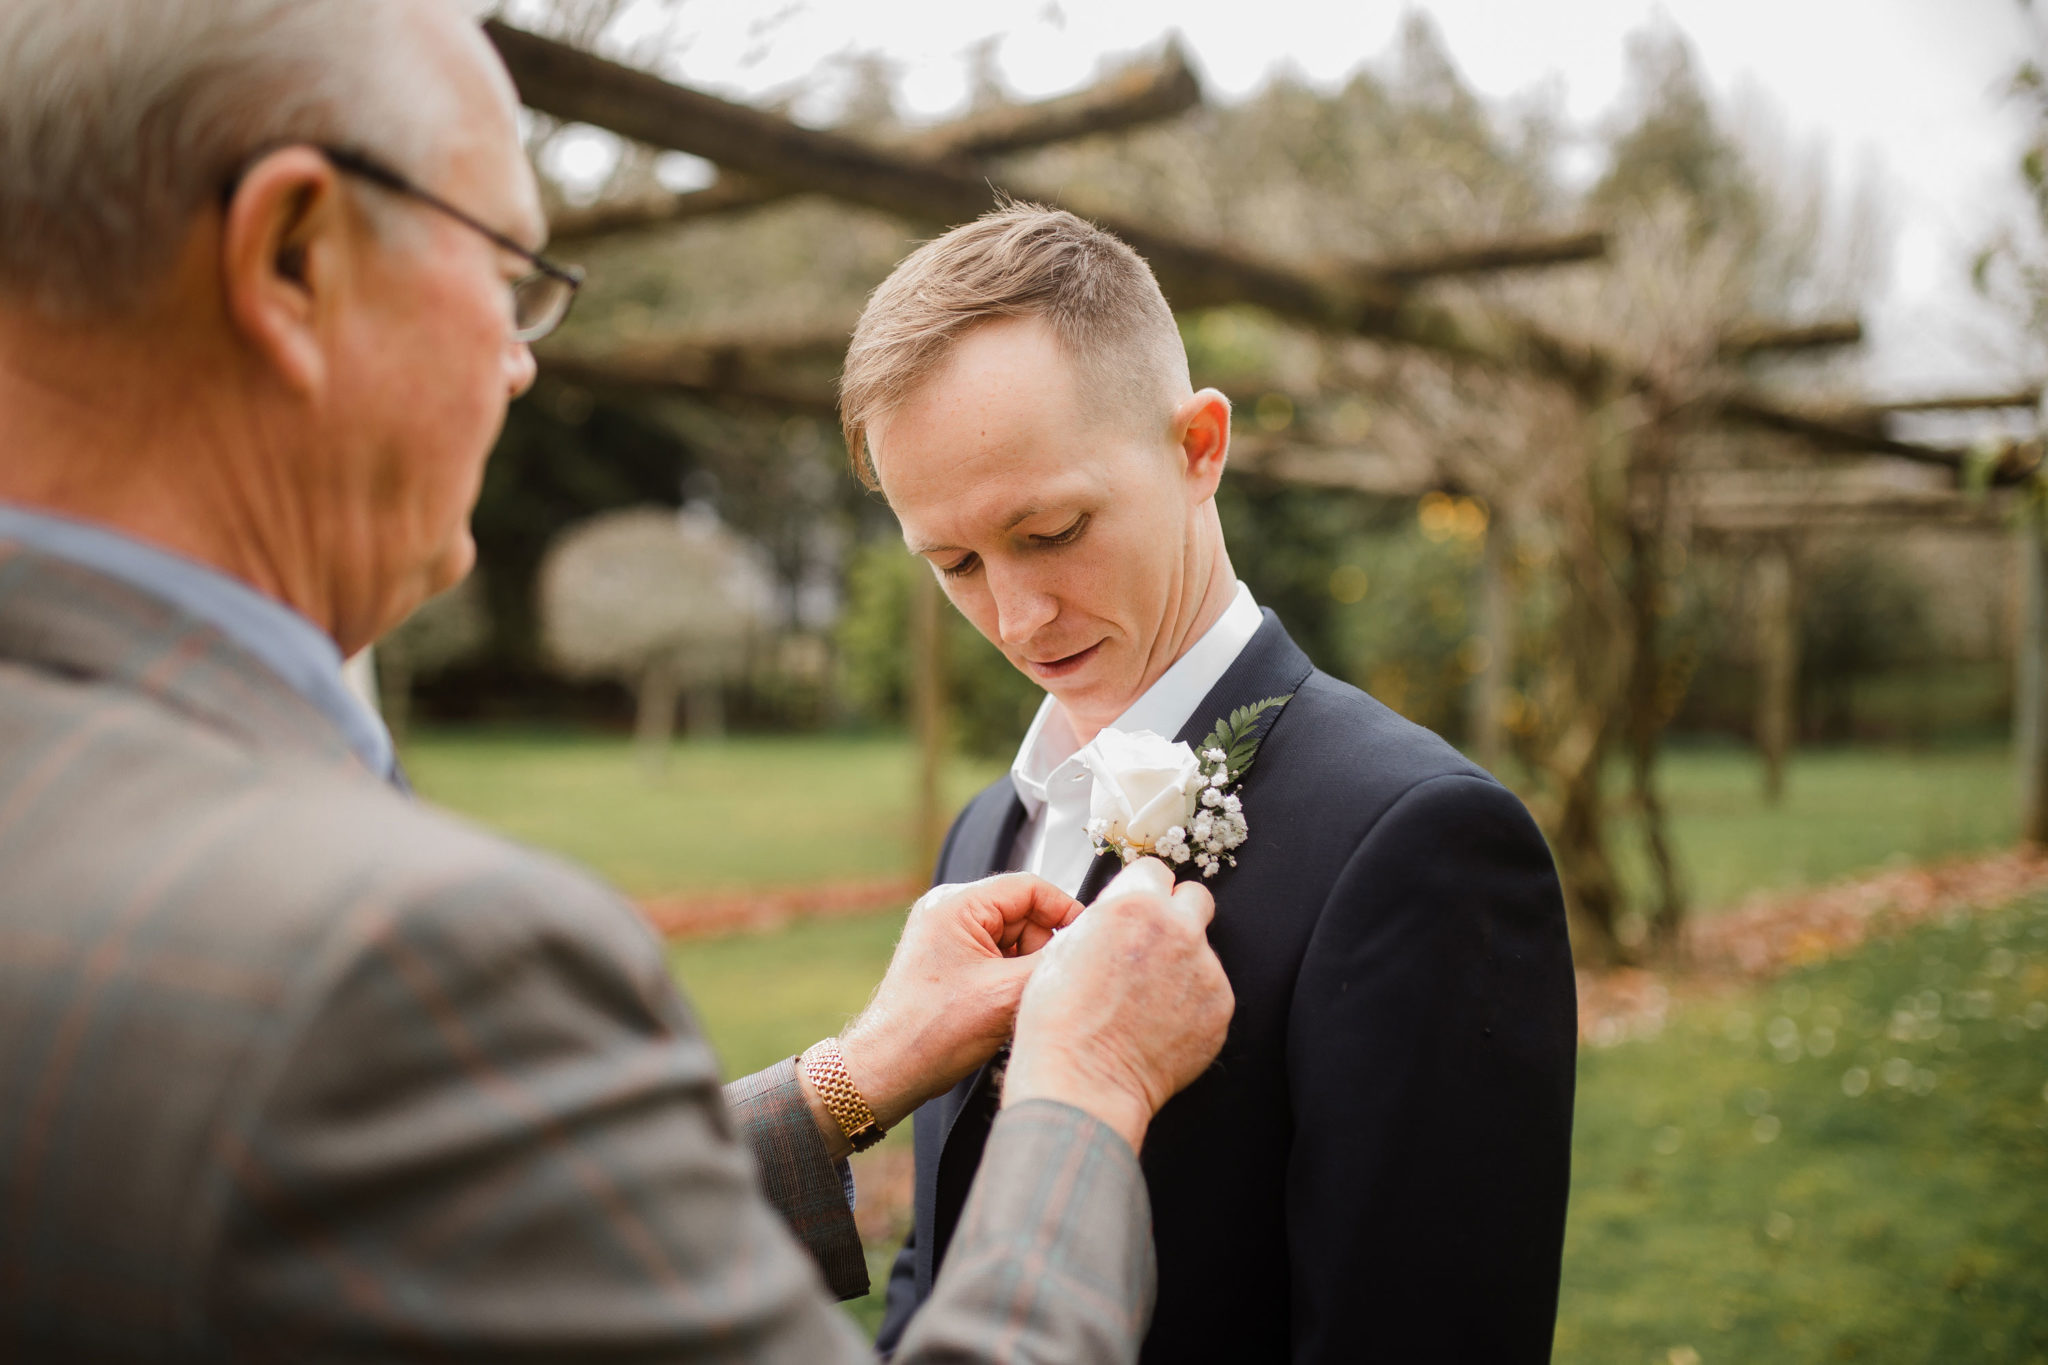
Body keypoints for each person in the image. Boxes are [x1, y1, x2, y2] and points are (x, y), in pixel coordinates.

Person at [0, 3, 1236, 1359]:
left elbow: (429, 1239)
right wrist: (1083, 1087)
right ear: (294, 258)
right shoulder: (397, 960)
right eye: (507, 275)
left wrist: (839, 1084)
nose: (522, 363)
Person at [847, 205, 1581, 1363]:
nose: (1015, 616)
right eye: (954, 564)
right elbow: (936, 1258)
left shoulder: (1420, 844)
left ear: (1198, 448)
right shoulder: (986, 830)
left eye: (1051, 530)